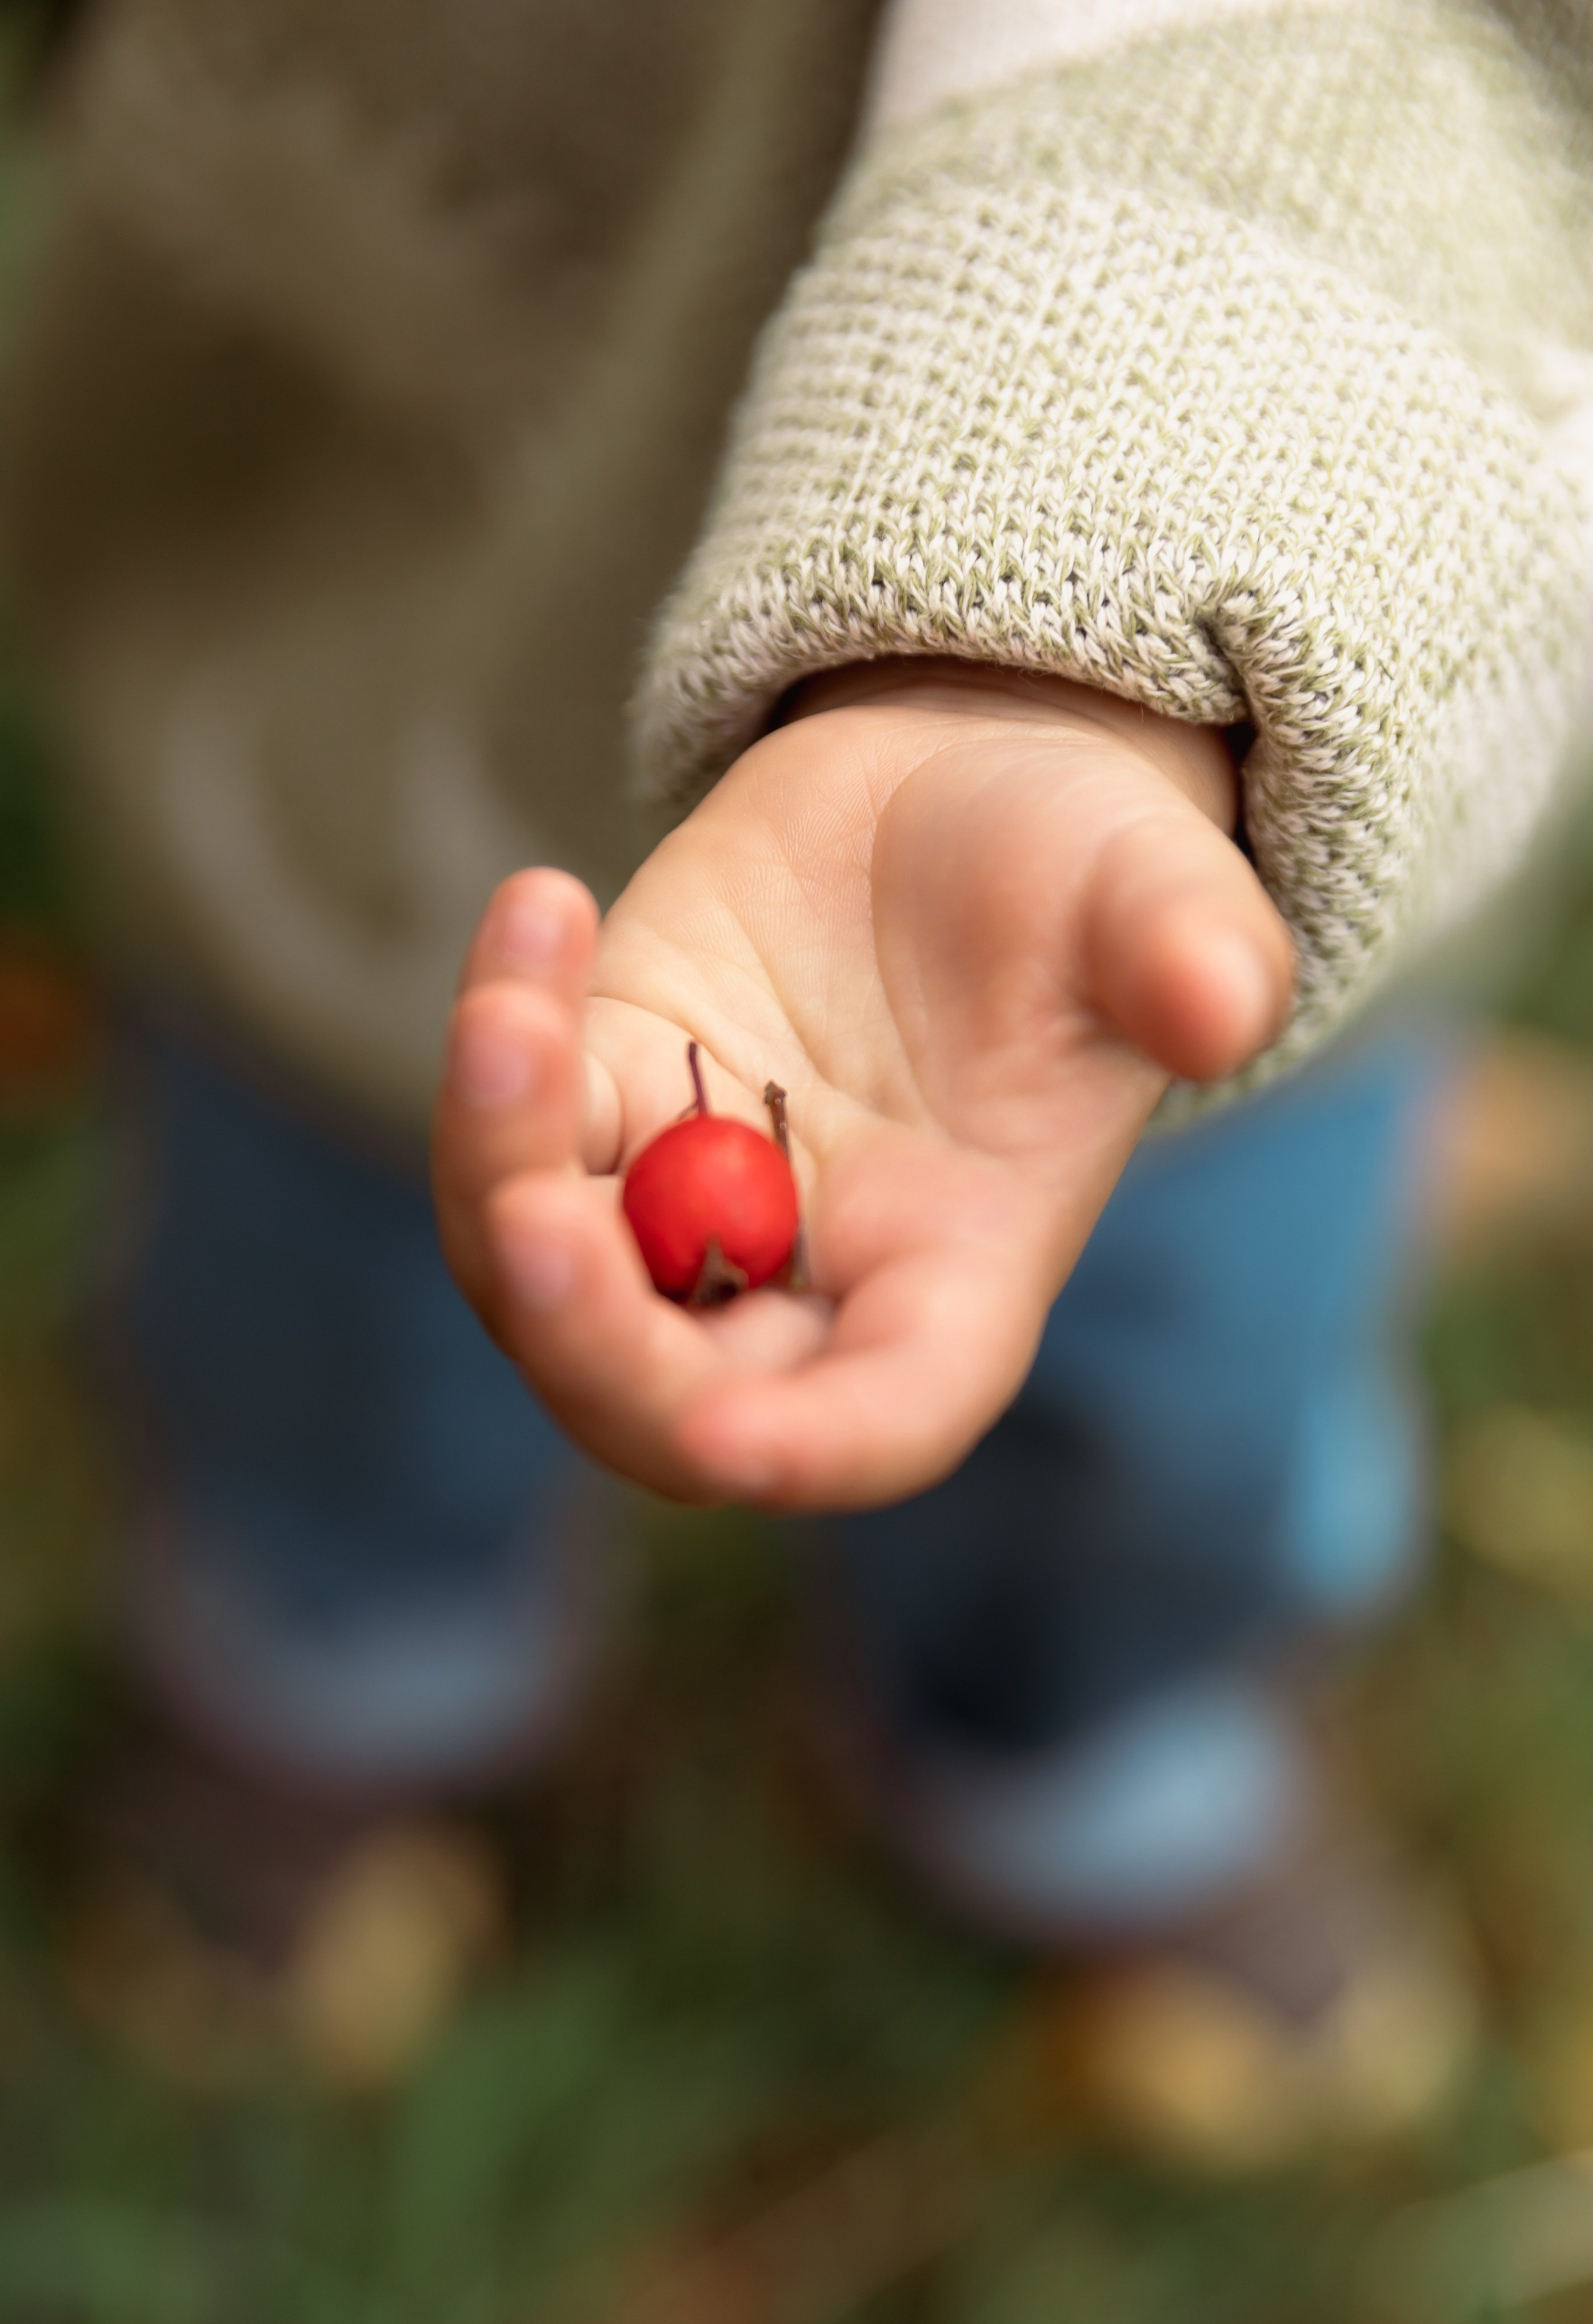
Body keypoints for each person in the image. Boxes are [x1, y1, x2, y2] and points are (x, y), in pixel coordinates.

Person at [3, 0, 1589, 2136]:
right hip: (355, 646)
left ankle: (1089, 1730)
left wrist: (1071, 631)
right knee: (311, 1293)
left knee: (1181, 1384)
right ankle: (327, 1656)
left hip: (1179, 790)